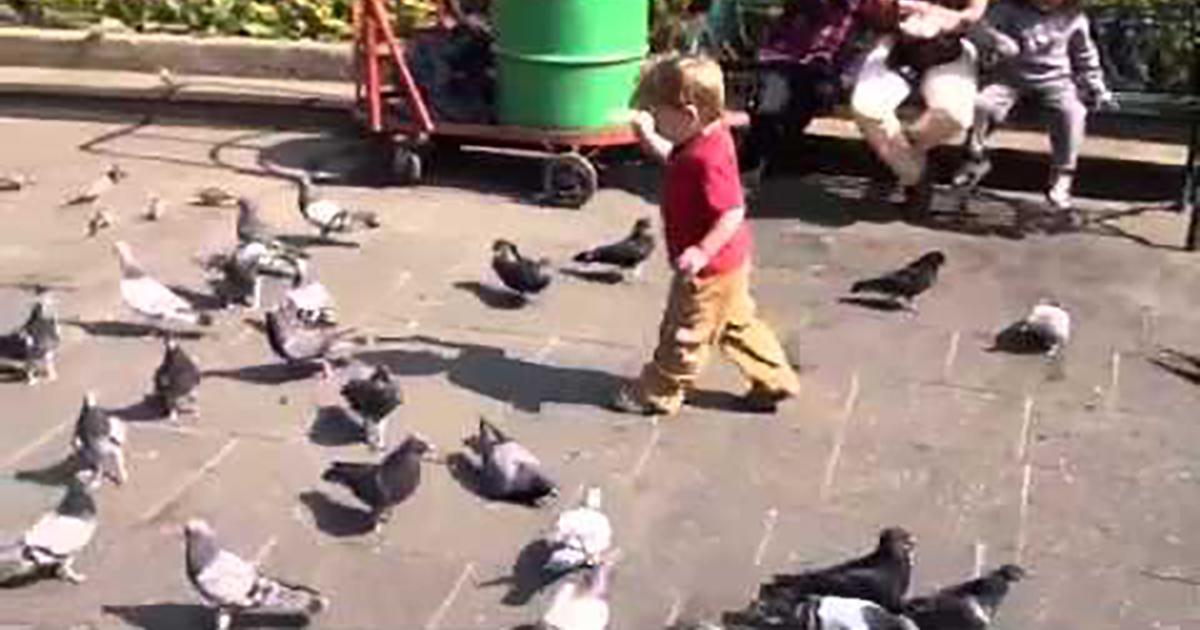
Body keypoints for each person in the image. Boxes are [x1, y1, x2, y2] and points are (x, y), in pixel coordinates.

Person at [612, 56, 801, 417]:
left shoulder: (707, 157)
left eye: (658, 113)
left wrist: (701, 251)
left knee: (684, 332)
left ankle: (660, 391)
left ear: (687, 113)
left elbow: (732, 211)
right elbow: (675, 157)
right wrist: (647, 136)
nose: (654, 118)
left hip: (709, 270)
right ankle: (775, 378)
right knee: (737, 324)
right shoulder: (705, 136)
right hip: (730, 263)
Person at [953, 0, 1115, 211]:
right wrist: (995, 40)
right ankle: (974, 157)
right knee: (982, 105)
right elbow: (977, 31)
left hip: (1056, 81)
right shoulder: (1007, 10)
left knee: (1072, 113)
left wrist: (1096, 86)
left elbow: (1084, 55)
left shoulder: (1074, 18)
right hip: (1010, 79)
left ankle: (1063, 174)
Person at [850, 0, 990, 213]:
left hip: (951, 48)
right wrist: (894, 11)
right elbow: (871, 13)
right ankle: (916, 177)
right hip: (896, 43)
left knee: (955, 114)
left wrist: (935, 14)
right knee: (867, 107)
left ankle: (898, 152)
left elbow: (974, 14)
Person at [741, 0, 864, 186]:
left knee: (806, 97)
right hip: (784, 53)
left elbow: (877, 16)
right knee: (771, 99)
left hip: (823, 62)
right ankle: (752, 160)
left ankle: (778, 157)